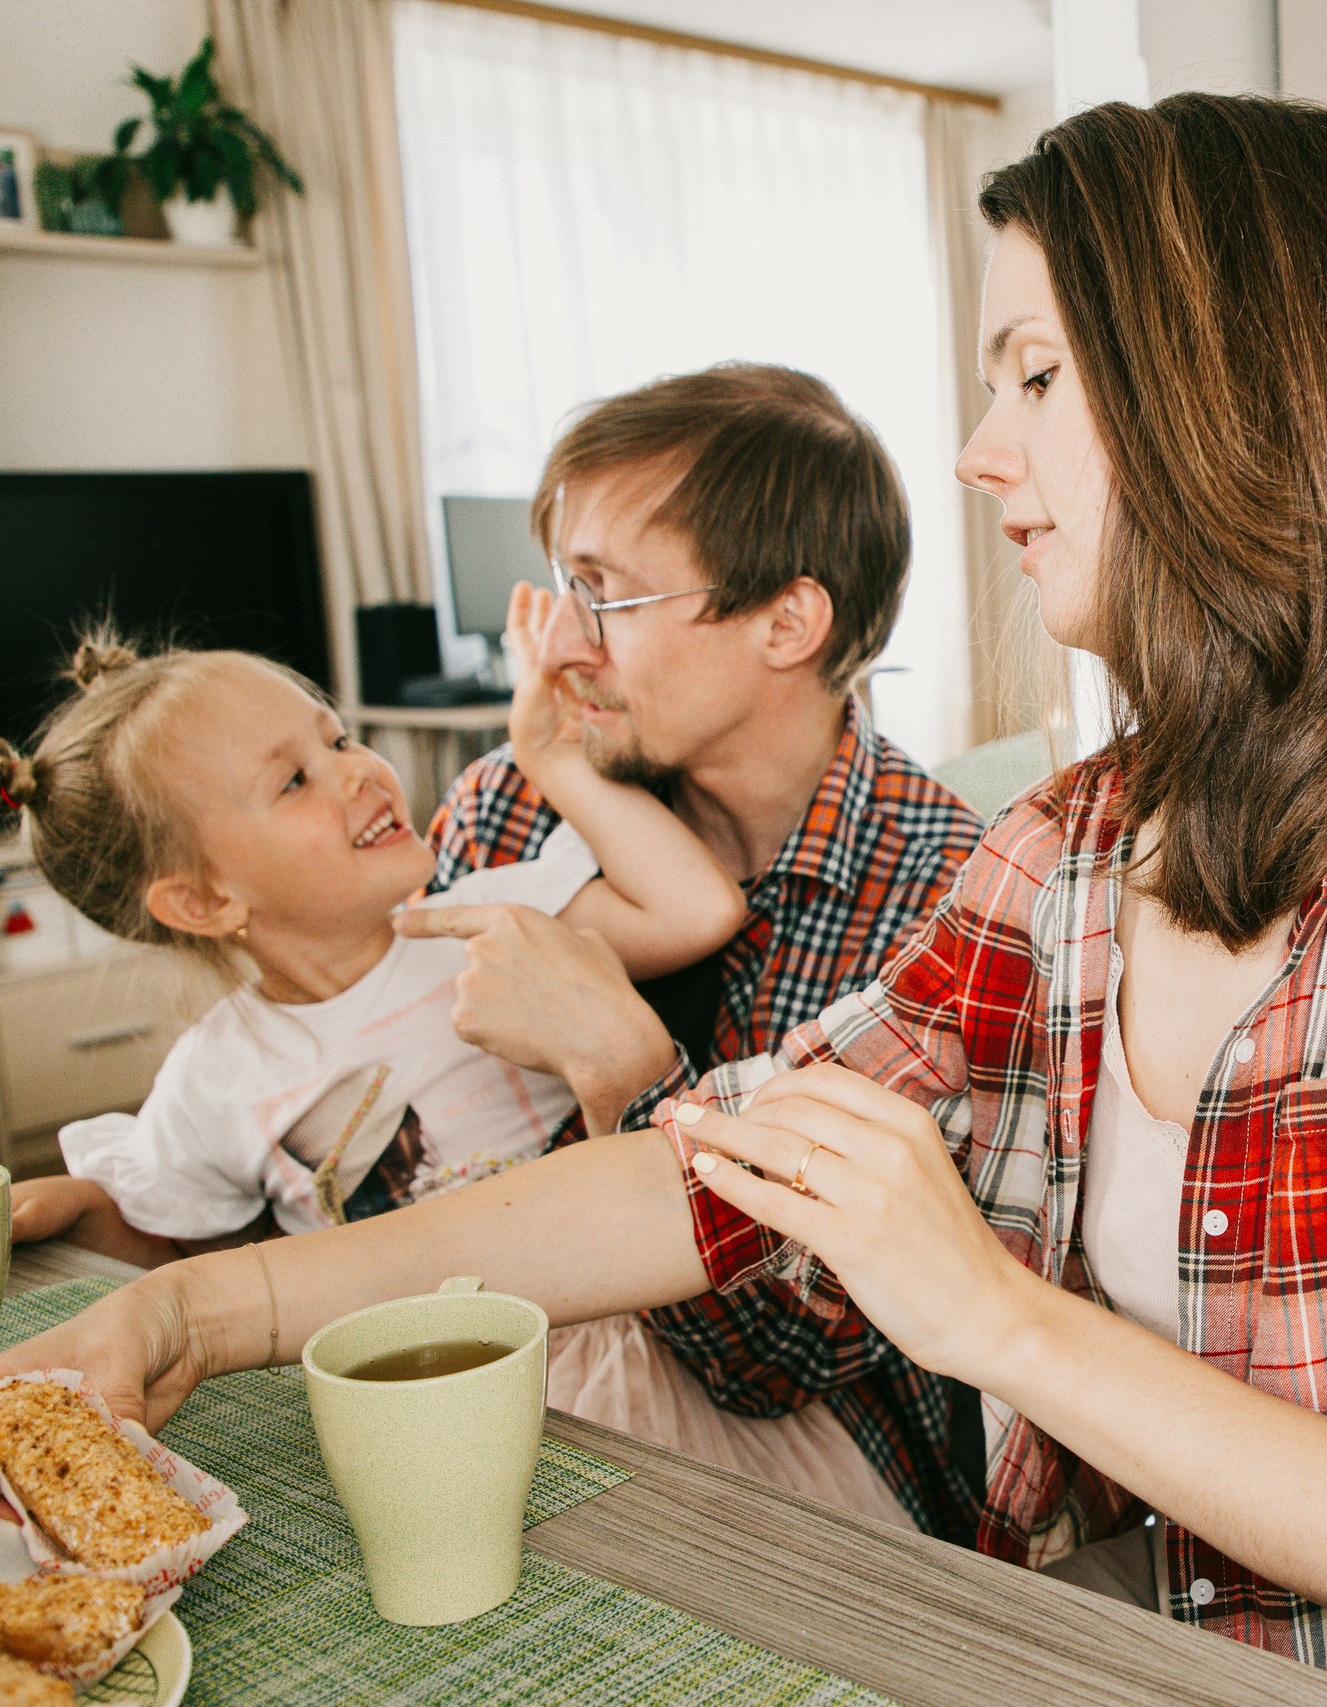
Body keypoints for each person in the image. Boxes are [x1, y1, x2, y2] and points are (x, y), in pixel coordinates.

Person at [0, 95, 1327, 1705]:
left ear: (1233, 398)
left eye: (1031, 376)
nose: (975, 451)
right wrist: (198, 1315)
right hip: (1108, 1639)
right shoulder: (1092, 840)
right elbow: (719, 1166)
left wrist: (998, 1315)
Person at [400, 362, 987, 1539]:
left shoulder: (949, 899)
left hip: (828, 1474)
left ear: (786, 622)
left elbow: (777, 1362)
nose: (560, 646)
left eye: (606, 595)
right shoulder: (509, 814)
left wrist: (621, 1071)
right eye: (562, 584)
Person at [0, 624, 743, 1266]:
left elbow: (700, 910)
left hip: (596, 1337)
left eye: (336, 737)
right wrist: (79, 1211)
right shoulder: (215, 1074)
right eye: (295, 778)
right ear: (202, 899)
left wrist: (552, 756)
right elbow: (188, 1246)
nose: (359, 769)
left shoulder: (496, 917)